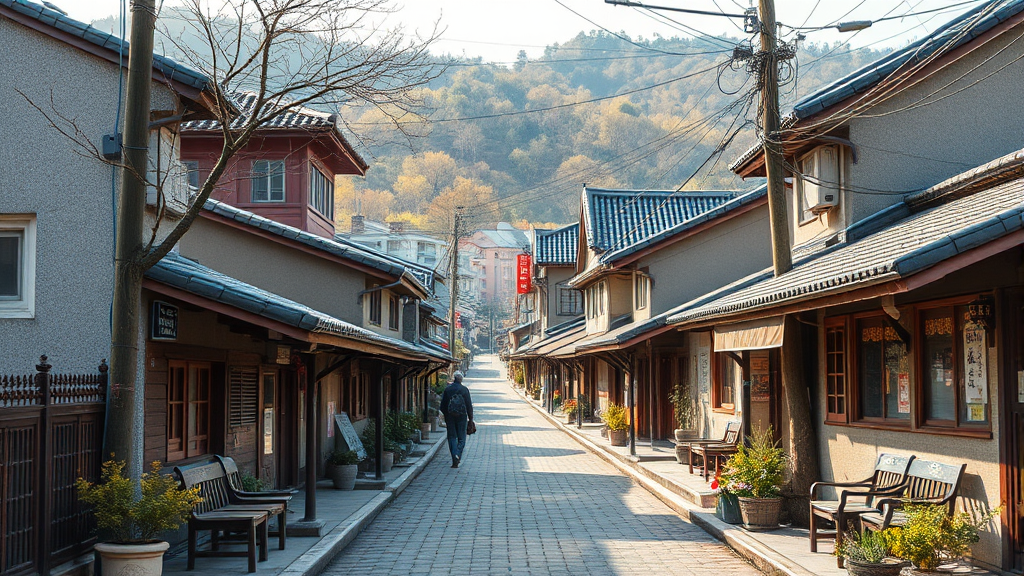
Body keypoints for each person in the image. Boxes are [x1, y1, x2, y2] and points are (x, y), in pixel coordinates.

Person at [439, 370, 473, 468]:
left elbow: (442, 406)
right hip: (462, 416)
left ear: (454, 378)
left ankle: (454, 456)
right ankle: (458, 454)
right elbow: (469, 406)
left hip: (450, 416)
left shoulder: (447, 389)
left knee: (452, 437)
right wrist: (470, 419)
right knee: (462, 438)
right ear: (461, 379)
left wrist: (447, 415)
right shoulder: (464, 390)